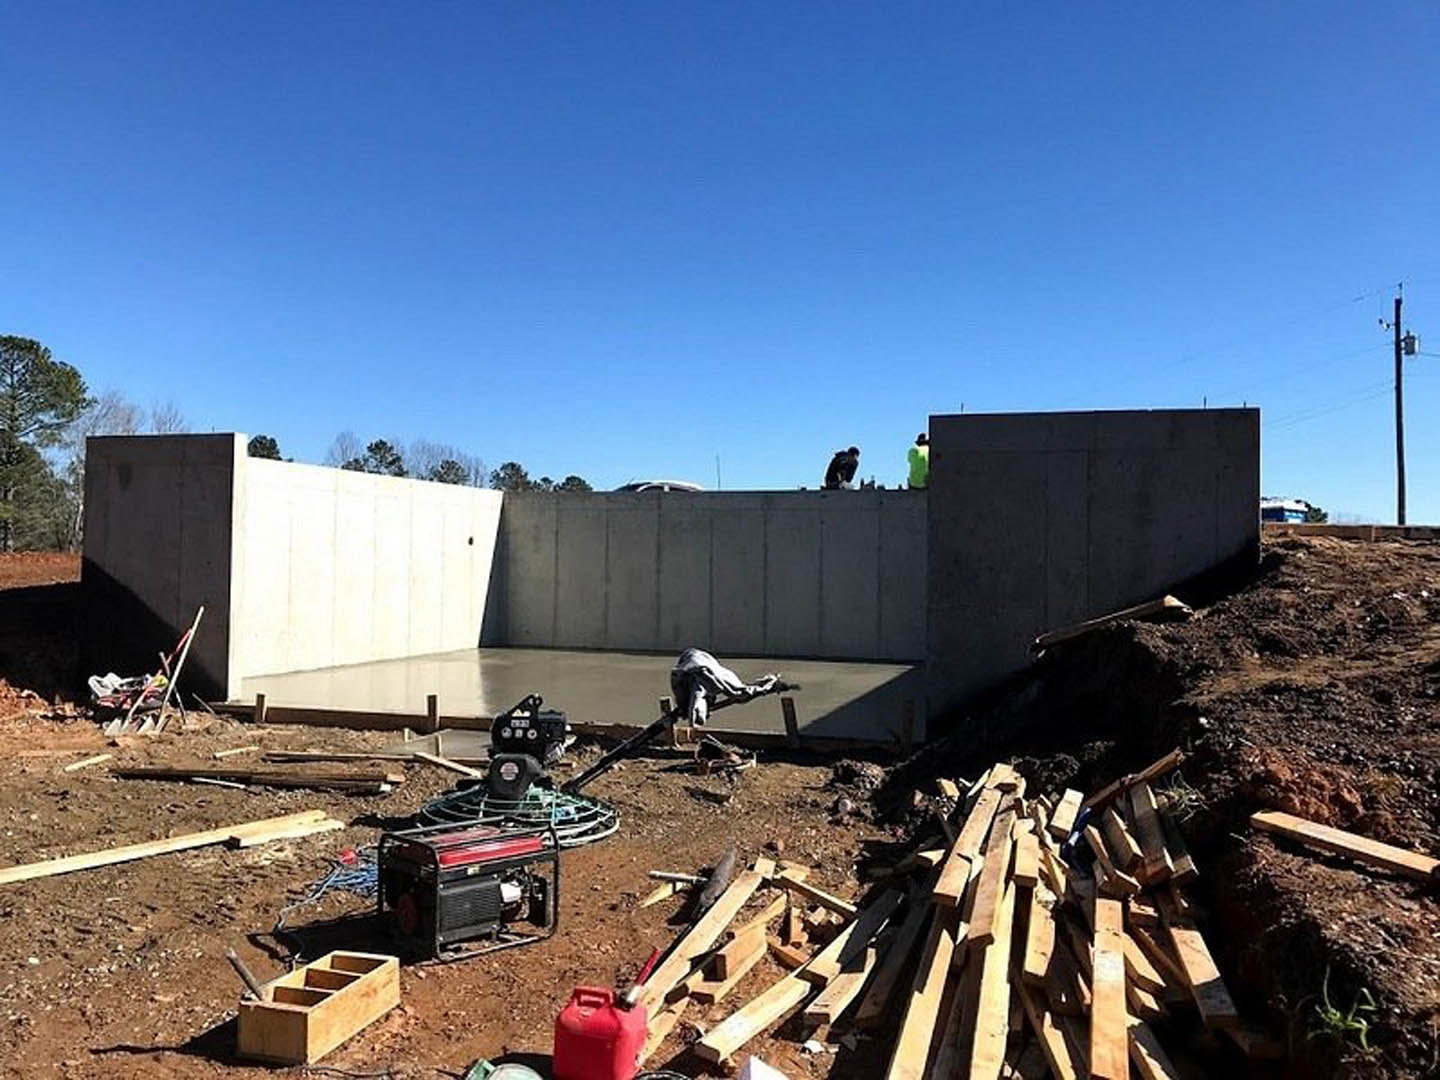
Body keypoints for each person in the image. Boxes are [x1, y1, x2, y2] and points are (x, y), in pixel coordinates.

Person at [670, 648, 780, 726]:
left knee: (738, 694)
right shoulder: (701, 686)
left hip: (698, 665)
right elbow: (696, 699)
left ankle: (770, 684)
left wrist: (766, 687)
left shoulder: (712, 684)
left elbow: (697, 698)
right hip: (694, 664)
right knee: (739, 694)